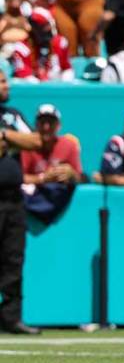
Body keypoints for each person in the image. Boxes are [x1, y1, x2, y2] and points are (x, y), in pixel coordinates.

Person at [0, 72, 41, 335]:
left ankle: (10, 318)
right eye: (2, 81)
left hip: (13, 198)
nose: (7, 85)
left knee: (13, 259)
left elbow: (36, 141)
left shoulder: (12, 115)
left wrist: (5, 137)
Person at [20, 105, 82, 224]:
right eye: (42, 122)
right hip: (33, 198)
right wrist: (43, 178)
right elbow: (19, 178)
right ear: (36, 125)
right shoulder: (26, 146)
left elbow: (79, 177)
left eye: (50, 123)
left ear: (58, 126)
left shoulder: (69, 145)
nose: (46, 127)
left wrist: (71, 174)